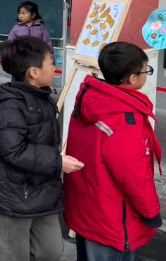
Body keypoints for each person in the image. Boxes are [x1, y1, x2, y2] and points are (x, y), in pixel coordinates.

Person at [0, 36, 84, 261]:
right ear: (34, 72)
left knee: (51, 250)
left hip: (41, 189)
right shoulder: (10, 106)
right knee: (13, 254)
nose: (54, 68)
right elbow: (13, 151)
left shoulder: (40, 96)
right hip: (13, 195)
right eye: (51, 63)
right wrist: (58, 161)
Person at [64, 42, 162, 261]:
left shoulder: (92, 98)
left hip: (88, 207)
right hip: (112, 218)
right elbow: (132, 174)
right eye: (146, 70)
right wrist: (151, 211)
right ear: (132, 78)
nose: (146, 75)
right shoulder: (123, 117)